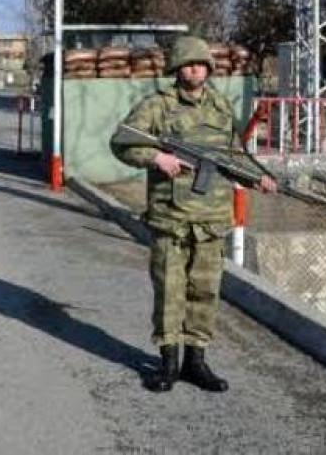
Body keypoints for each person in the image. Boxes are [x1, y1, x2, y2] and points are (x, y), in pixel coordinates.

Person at [110, 36, 276, 393]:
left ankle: (196, 362)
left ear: (208, 69)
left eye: (200, 64)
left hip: (212, 219)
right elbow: (121, 141)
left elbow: (233, 156)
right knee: (170, 291)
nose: (195, 70)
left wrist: (258, 177)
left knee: (205, 291)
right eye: (188, 65)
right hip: (171, 218)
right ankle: (168, 362)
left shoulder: (220, 107)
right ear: (177, 69)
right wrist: (156, 157)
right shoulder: (157, 106)